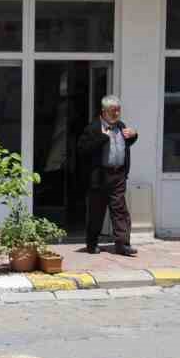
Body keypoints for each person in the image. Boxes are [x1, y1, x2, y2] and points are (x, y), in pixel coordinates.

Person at [78, 94, 138, 255]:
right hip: (100, 176)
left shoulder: (121, 125)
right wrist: (101, 138)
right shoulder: (93, 128)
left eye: (118, 110)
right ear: (104, 111)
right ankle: (92, 244)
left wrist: (134, 135)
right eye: (113, 111)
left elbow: (124, 144)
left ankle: (123, 244)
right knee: (96, 212)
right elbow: (82, 150)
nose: (116, 114)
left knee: (120, 211)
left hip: (118, 174)